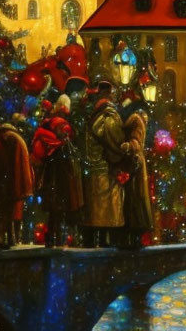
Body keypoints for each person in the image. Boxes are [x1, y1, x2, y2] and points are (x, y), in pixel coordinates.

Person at [35, 95, 84, 247]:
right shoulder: (62, 124)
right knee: (61, 206)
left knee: (52, 210)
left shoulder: (47, 122)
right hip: (60, 171)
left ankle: (51, 237)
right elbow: (69, 137)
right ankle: (59, 238)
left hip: (49, 171)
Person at [82, 81, 125, 247]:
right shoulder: (108, 115)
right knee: (106, 212)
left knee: (94, 211)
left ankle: (93, 240)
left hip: (93, 168)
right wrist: (121, 154)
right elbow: (115, 139)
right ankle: (104, 240)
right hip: (105, 168)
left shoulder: (93, 113)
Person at [0, 118, 33, 247]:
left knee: (2, 212)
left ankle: (1, 238)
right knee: (9, 212)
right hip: (10, 181)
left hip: (0, 181)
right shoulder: (14, 138)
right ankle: (8, 239)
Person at [120, 107, 153, 246]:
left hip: (134, 166)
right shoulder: (138, 122)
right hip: (137, 166)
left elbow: (135, 143)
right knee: (138, 200)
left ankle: (131, 235)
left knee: (133, 200)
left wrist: (125, 147)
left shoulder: (135, 122)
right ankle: (135, 236)